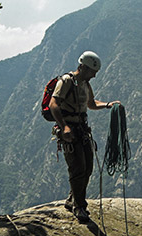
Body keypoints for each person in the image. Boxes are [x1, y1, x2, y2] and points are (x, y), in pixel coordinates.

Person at [49, 51, 120, 223]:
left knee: (87, 167)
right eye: (92, 72)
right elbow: (54, 104)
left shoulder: (85, 85)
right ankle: (79, 206)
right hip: (69, 131)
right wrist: (64, 127)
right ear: (82, 67)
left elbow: (91, 103)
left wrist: (108, 105)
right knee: (77, 167)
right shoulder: (65, 81)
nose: (94, 75)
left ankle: (72, 198)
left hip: (82, 129)